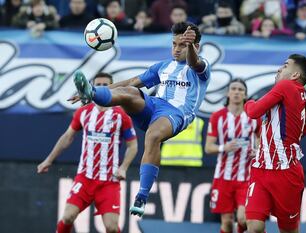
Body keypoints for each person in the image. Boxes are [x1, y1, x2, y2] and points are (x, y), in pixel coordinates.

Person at [70, 21, 211, 217]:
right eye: (174, 44)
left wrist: (191, 49)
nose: (176, 49)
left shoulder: (201, 67)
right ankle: (90, 93)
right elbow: (130, 81)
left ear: (195, 46)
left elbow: (196, 63)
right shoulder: (163, 66)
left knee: (153, 136)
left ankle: (142, 196)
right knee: (129, 91)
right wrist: (95, 92)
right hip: (154, 106)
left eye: (183, 45)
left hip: (176, 114)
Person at [38, 73, 138, 233]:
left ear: (113, 87)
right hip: (85, 177)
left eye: (106, 85)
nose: (103, 87)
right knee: (68, 217)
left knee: (112, 228)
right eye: (99, 84)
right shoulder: (83, 112)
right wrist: (48, 160)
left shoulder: (121, 115)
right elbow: (67, 137)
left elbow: (133, 145)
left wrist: (124, 167)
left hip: (109, 180)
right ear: (92, 87)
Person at [244, 54, 306, 233]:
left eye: (285, 66)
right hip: (261, 169)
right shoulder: (298, 96)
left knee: (287, 230)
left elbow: (253, 111)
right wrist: (274, 146)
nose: (279, 68)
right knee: (254, 226)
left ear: (294, 76)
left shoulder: (286, 86)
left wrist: (248, 102)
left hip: (285, 174)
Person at [205, 78, 261, 233]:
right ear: (228, 93)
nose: (237, 92)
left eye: (240, 90)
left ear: (245, 95)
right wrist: (224, 147)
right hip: (223, 176)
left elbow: (260, 140)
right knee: (227, 222)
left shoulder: (253, 117)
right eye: (234, 89)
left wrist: (257, 151)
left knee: (243, 218)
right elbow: (208, 148)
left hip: (246, 177)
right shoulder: (217, 117)